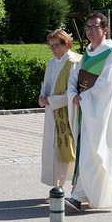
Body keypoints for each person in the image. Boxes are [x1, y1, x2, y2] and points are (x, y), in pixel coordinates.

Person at [65, 12, 112, 211]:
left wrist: (83, 98)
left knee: (93, 154)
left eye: (95, 27)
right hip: (86, 109)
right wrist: (73, 92)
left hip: (99, 113)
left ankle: (78, 196)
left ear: (105, 30)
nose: (90, 31)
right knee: (86, 153)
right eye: (88, 27)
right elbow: (75, 76)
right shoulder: (88, 53)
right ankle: (84, 195)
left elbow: (106, 86)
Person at [39, 29, 80, 203]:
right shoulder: (51, 63)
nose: (53, 49)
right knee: (52, 150)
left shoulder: (73, 63)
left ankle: (71, 188)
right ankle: (57, 187)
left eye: (56, 46)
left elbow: (72, 93)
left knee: (66, 150)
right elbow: (45, 85)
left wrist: (51, 100)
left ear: (66, 44)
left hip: (67, 113)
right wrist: (42, 98)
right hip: (51, 112)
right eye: (51, 46)